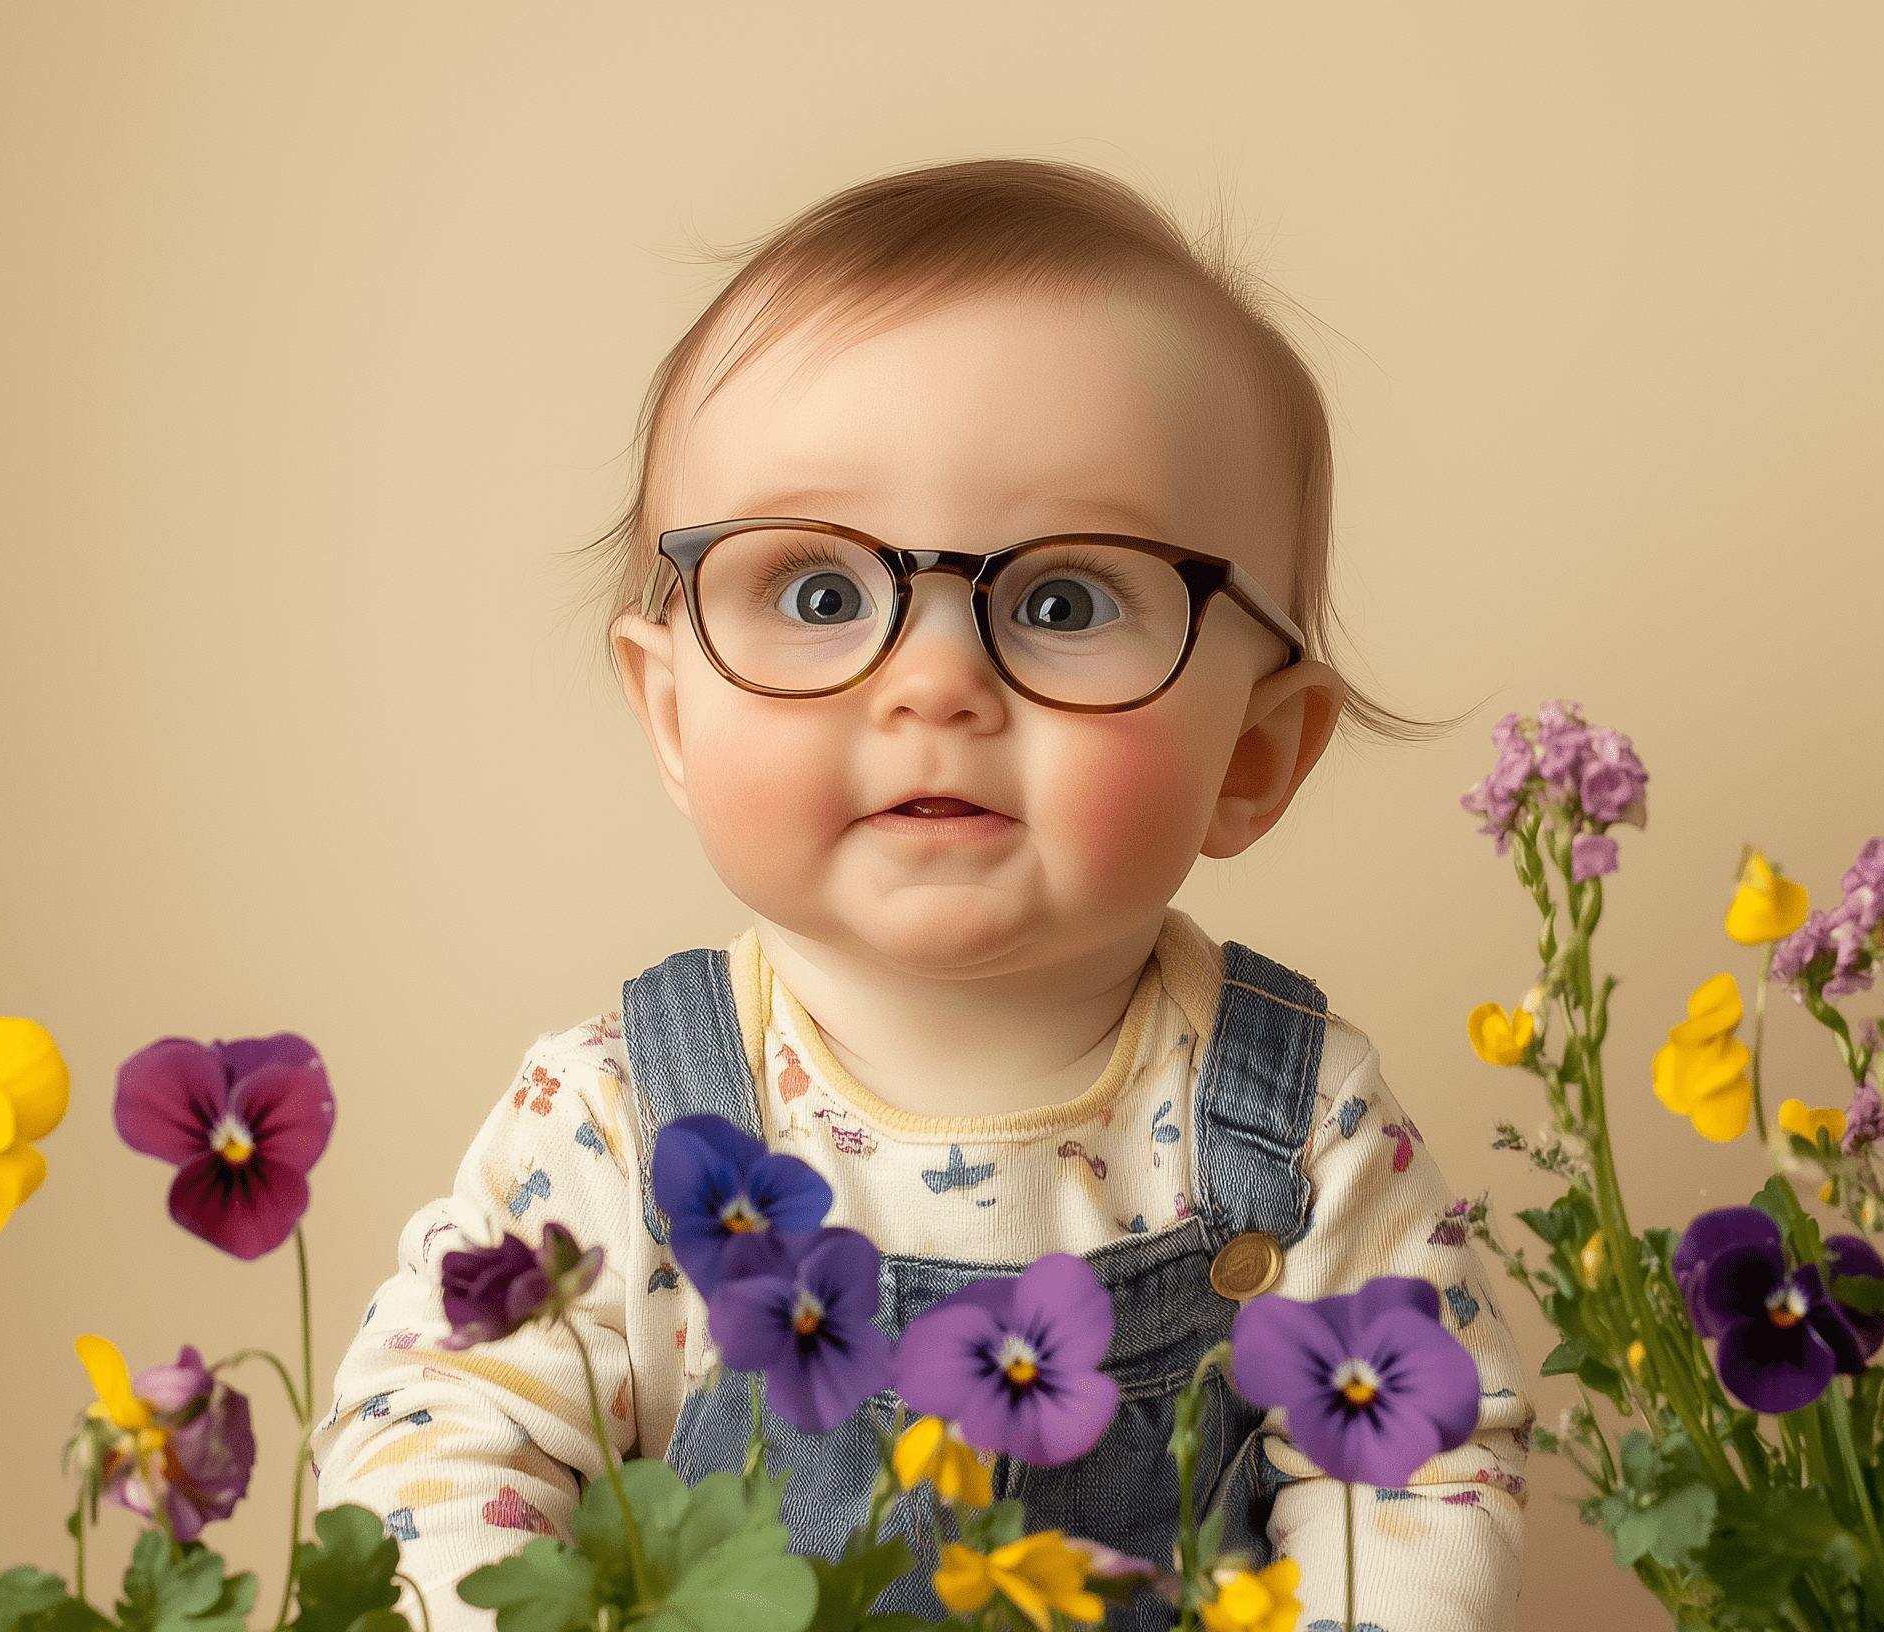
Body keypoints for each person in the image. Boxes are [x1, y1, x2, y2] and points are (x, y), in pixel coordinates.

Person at [313, 158, 1528, 1632]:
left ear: (1254, 755)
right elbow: (434, 1440)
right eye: (819, 594)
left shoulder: (1303, 1131)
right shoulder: (615, 1124)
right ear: (675, 713)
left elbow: (1414, 1472)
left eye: (1065, 601)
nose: (934, 679)